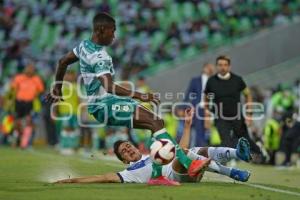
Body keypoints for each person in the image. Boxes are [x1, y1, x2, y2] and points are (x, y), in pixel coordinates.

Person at [45, 12, 207, 186]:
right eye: (112, 31)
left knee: (156, 123)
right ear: (101, 30)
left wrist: (57, 87)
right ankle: (187, 165)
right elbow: (109, 86)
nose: (114, 36)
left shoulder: (84, 46)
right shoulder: (100, 57)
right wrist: (141, 95)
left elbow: (63, 61)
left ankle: (159, 175)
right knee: (155, 122)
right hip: (104, 105)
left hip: (107, 103)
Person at [55, 108, 251, 184]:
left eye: (128, 145)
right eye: (124, 151)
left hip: (184, 165)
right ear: (123, 159)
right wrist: (71, 181)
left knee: (195, 150)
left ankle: (237, 153)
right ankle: (232, 171)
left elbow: (179, 148)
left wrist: (188, 126)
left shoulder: (150, 154)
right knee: (186, 154)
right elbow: (102, 177)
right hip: (177, 176)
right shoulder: (128, 173)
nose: (129, 149)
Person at [204, 55, 261, 156]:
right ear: (216, 66)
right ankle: (227, 163)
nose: (223, 67)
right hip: (220, 117)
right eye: (220, 65)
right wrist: (207, 116)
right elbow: (206, 98)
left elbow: (248, 95)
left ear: (229, 66)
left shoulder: (238, 80)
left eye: (225, 65)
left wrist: (249, 114)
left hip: (237, 116)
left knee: (245, 140)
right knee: (225, 140)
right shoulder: (211, 81)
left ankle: (262, 153)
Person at [11, 63, 44, 148]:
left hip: (30, 103)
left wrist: (35, 95)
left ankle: (24, 143)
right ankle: (16, 140)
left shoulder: (36, 79)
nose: (30, 70)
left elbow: (41, 90)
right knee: (17, 122)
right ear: (25, 69)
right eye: (28, 68)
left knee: (28, 122)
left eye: (32, 68)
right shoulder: (19, 78)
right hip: (19, 102)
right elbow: (13, 89)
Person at [183, 63, 215, 147]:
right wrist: (182, 107)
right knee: (199, 131)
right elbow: (188, 94)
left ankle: (212, 149)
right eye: (209, 67)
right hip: (199, 108)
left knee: (211, 130)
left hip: (211, 109)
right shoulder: (195, 80)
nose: (211, 69)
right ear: (204, 68)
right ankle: (200, 150)